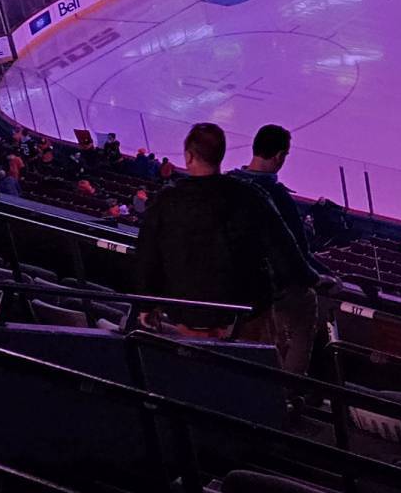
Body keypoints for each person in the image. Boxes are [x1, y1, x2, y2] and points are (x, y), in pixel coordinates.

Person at [130, 122, 317, 336]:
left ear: (189, 157)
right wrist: (310, 280)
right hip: (243, 314)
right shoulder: (251, 196)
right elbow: (284, 250)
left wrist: (146, 304)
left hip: (186, 314)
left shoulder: (167, 200)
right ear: (221, 155)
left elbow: (147, 255)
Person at [233, 124, 332, 379]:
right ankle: (290, 386)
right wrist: (323, 276)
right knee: (305, 313)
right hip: (272, 286)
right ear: (279, 156)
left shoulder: (230, 183)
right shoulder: (277, 196)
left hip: (235, 281)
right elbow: (297, 250)